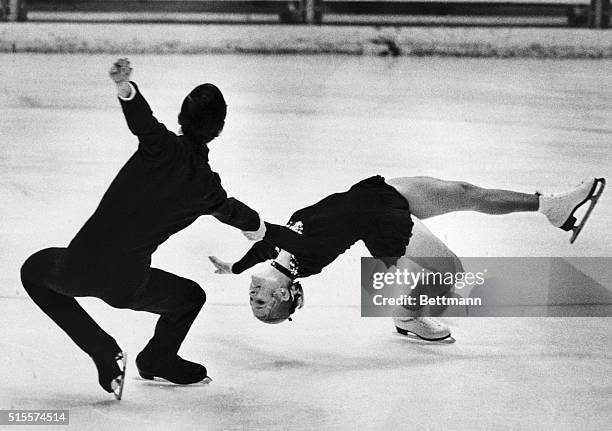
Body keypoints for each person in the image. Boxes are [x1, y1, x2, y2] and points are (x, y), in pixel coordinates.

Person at [20, 59, 266, 399]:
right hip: (128, 284)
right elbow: (233, 212)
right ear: (220, 130)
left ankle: (101, 349)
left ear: (181, 120)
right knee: (190, 297)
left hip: (74, 268)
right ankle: (158, 357)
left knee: (33, 270)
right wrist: (258, 228)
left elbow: (142, 122)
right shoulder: (206, 187)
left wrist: (126, 89)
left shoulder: (160, 147)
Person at [209, 175, 605, 340]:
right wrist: (260, 228)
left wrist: (235, 266)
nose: (254, 292)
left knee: (467, 191)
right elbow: (280, 238)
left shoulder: (277, 257)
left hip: (376, 195)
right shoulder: (304, 262)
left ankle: (551, 207)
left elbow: (267, 246)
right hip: (382, 225)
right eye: (261, 299)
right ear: (284, 296)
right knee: (452, 272)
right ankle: (407, 316)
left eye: (251, 296)